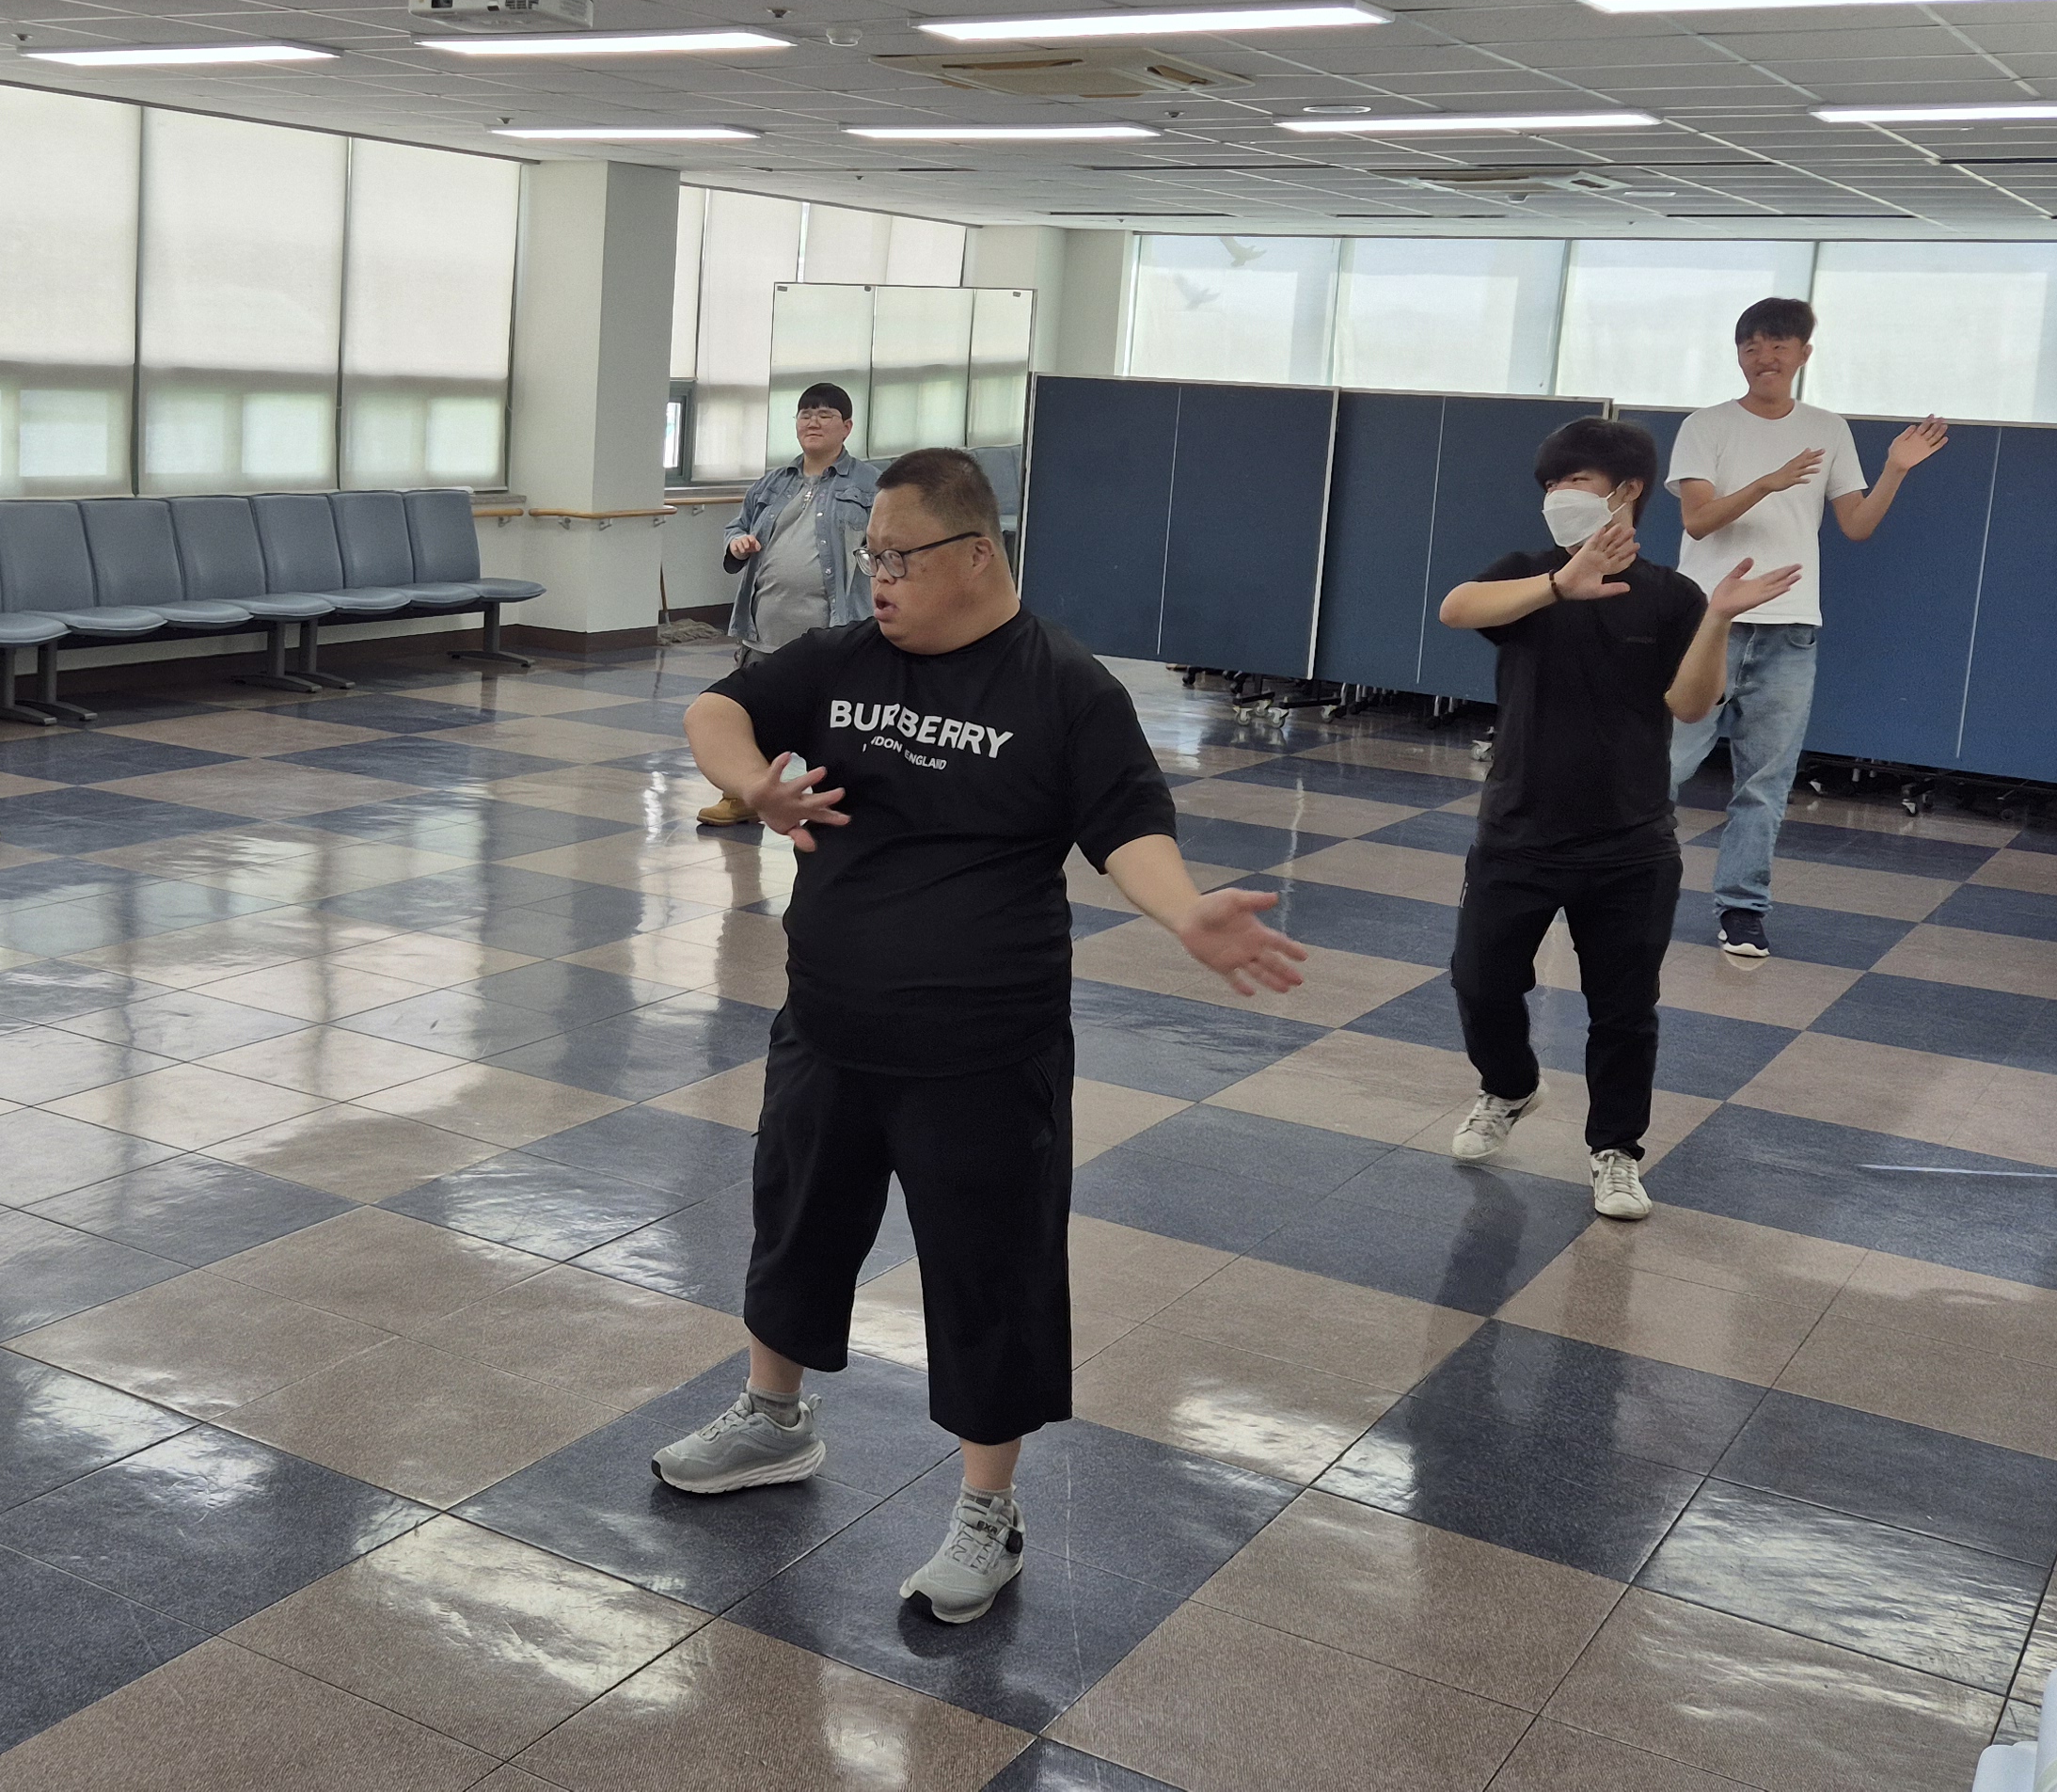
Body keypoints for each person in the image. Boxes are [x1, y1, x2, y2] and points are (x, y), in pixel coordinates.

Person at [655, 447, 1308, 1625]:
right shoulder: (845, 657)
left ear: (973, 555)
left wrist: (1183, 911)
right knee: (796, 1227)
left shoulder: (1064, 686)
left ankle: (987, 1509)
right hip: (828, 1023)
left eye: (897, 558)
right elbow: (715, 708)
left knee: (986, 1273)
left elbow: (1127, 826)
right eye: (870, 556)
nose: (878, 578)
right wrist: (757, 784)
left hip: (982, 1045)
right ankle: (773, 1415)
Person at [1435, 419, 1797, 1222]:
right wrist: (1559, 586)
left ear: (1627, 491)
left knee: (1623, 1011)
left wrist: (1717, 620)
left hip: (1630, 844)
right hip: (1517, 833)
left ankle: (1617, 1152)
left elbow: (1692, 705)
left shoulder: (1672, 596)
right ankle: (1510, 1087)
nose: (1559, 495)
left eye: (1576, 481)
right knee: (1479, 981)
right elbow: (1457, 609)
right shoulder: (1527, 575)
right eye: (1551, 484)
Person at [1666, 297, 1947, 959]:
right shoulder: (1705, 426)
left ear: (1803, 355)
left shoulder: (1828, 428)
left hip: (1791, 629)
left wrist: (1896, 469)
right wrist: (1767, 483)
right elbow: (1698, 521)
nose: (1764, 358)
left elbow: (1857, 525)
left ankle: (1742, 911)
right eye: (1751, 347)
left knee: (1764, 783)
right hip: (1707, 622)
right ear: (1739, 355)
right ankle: (1609, 880)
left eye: (1778, 346)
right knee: (1663, 767)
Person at [701, 383, 879, 828]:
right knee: (755, 714)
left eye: (825, 415)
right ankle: (743, 794)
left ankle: (840, 801)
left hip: (834, 630)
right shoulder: (773, 483)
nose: (813, 422)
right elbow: (737, 525)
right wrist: (737, 542)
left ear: (847, 426)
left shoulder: (870, 485)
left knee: (835, 721)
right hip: (766, 626)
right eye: (805, 414)